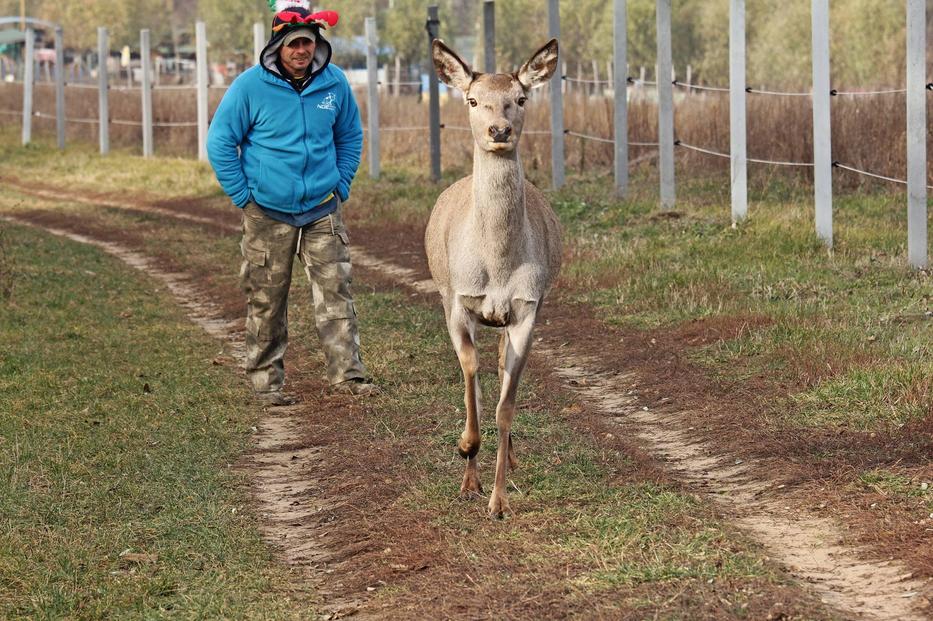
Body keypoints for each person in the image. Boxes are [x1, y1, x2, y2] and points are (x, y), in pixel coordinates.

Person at [207, 5, 378, 404]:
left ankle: (348, 377)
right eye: (294, 44)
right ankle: (266, 383)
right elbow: (220, 141)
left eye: (309, 42)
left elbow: (350, 135)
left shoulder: (334, 84)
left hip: (322, 208)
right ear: (277, 47)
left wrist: (341, 183)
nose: (302, 50)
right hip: (267, 210)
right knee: (266, 298)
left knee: (336, 292)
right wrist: (242, 194)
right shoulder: (250, 87)